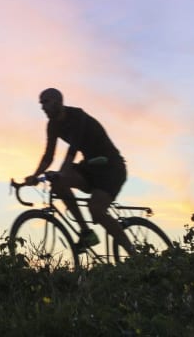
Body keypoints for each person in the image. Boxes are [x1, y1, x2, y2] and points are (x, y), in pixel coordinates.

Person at [23, 88, 134, 255]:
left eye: (46, 102)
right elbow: (48, 155)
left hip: (112, 167)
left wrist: (61, 172)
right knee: (58, 183)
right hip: (91, 166)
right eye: (41, 103)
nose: (42, 107)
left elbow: (72, 150)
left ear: (58, 101)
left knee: (96, 209)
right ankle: (86, 233)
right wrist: (35, 176)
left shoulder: (77, 116)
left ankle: (134, 254)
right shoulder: (52, 125)